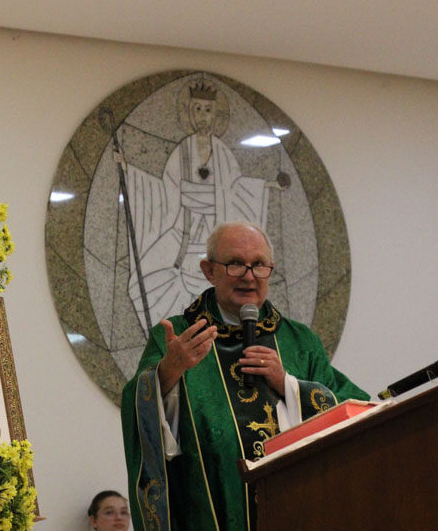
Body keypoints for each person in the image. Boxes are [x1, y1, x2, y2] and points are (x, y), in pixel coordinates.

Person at [121, 221, 368, 531]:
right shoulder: (179, 337)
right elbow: (138, 409)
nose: (249, 276)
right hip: (208, 513)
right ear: (209, 271)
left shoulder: (300, 341)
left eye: (259, 265)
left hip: (294, 508)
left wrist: (288, 385)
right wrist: (169, 371)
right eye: (235, 264)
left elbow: (353, 410)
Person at [122, 79, 281, 334]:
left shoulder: (222, 152)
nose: (202, 116)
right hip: (184, 231)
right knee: (143, 282)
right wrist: (130, 173)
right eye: (197, 109)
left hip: (216, 227)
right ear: (189, 114)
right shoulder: (182, 151)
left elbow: (237, 186)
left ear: (215, 116)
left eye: (208, 110)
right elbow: (164, 191)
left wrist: (266, 186)